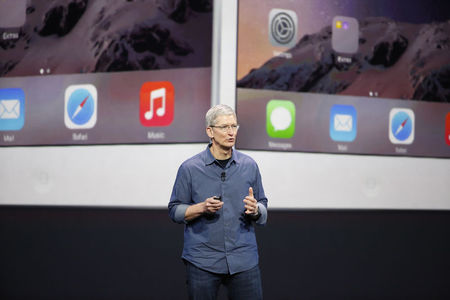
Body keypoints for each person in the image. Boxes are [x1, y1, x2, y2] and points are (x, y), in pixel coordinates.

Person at [168, 104, 268, 300]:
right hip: (202, 260)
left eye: (234, 126)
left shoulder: (249, 166)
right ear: (210, 131)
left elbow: (263, 205)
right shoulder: (190, 168)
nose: (231, 132)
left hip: (243, 259)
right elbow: (174, 211)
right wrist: (201, 208)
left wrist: (256, 209)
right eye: (224, 127)